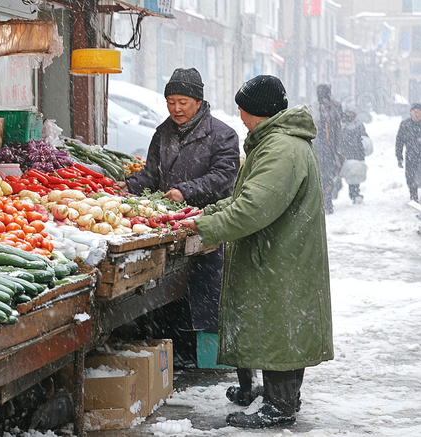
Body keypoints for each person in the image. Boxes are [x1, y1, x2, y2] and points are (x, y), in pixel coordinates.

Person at [179, 75, 334, 428]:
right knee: (283, 328)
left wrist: (208, 227)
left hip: (280, 256)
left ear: (257, 111)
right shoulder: (276, 142)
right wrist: (210, 213)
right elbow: (244, 197)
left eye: (242, 107)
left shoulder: (280, 149)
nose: (239, 113)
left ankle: (280, 407)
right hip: (283, 254)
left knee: (278, 328)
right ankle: (283, 397)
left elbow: (254, 207)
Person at [117, 67, 241, 367]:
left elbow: (224, 176)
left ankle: (207, 356)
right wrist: (129, 186)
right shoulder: (163, 132)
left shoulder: (222, 135)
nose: (176, 108)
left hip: (205, 224)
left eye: (183, 101)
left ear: (198, 101)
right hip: (169, 226)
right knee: (170, 292)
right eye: (171, 101)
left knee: (205, 290)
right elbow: (151, 174)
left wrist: (185, 192)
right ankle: (176, 353)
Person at [314, 84, 344, 214]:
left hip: (328, 147)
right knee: (324, 174)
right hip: (321, 146)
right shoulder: (316, 107)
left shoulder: (334, 106)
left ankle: (327, 200)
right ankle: (325, 199)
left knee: (327, 174)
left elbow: (339, 122)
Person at [340, 105, 370, 204]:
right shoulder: (341, 124)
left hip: (357, 153)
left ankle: (355, 193)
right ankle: (352, 193)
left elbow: (364, 136)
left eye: (352, 113)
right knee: (348, 173)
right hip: (346, 153)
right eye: (349, 112)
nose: (350, 115)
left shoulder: (359, 124)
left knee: (356, 174)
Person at [395, 103, 421, 202]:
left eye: (419, 112)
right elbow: (399, 141)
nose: (416, 114)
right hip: (411, 155)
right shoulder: (405, 124)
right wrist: (399, 155)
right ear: (410, 113)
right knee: (410, 176)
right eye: (414, 112)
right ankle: (413, 196)